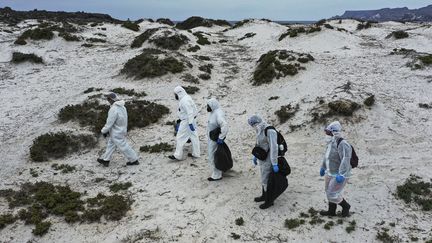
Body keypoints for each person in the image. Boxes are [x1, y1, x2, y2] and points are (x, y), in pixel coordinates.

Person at [319, 121, 352, 217]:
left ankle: (346, 206)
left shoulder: (343, 144)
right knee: (328, 191)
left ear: (334, 132)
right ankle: (331, 211)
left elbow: (346, 159)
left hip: (339, 175)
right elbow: (326, 156)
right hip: (329, 172)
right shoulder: (331, 142)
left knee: (332, 193)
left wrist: (341, 174)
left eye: (328, 133)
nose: (326, 134)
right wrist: (323, 167)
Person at [97, 92, 139, 167]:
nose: (107, 100)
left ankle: (134, 160)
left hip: (116, 132)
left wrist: (104, 131)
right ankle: (106, 160)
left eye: (108, 98)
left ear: (111, 99)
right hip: (121, 129)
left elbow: (109, 123)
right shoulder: (122, 107)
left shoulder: (114, 109)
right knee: (111, 145)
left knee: (123, 146)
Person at [248, 115, 279, 209]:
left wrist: (274, 163)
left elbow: (274, 148)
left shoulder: (270, 131)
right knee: (263, 177)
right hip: (262, 158)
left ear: (257, 123)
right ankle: (264, 195)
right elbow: (258, 143)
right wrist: (255, 156)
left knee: (267, 179)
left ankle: (269, 201)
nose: (252, 127)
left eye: (253, 124)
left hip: (269, 159)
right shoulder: (259, 130)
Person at [169, 86, 200, 160]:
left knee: (180, 137)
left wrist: (190, 123)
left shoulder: (184, 101)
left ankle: (178, 155)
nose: (175, 96)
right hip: (191, 120)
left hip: (187, 121)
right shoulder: (186, 97)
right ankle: (196, 153)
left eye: (175, 94)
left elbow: (190, 112)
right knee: (194, 136)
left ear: (179, 93)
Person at [206, 98, 228, 181]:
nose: (207, 107)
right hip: (212, 137)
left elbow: (224, 125)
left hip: (215, 139)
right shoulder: (213, 112)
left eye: (208, 106)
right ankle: (219, 171)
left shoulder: (218, 114)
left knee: (213, 156)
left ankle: (217, 175)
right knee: (214, 155)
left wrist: (221, 137)